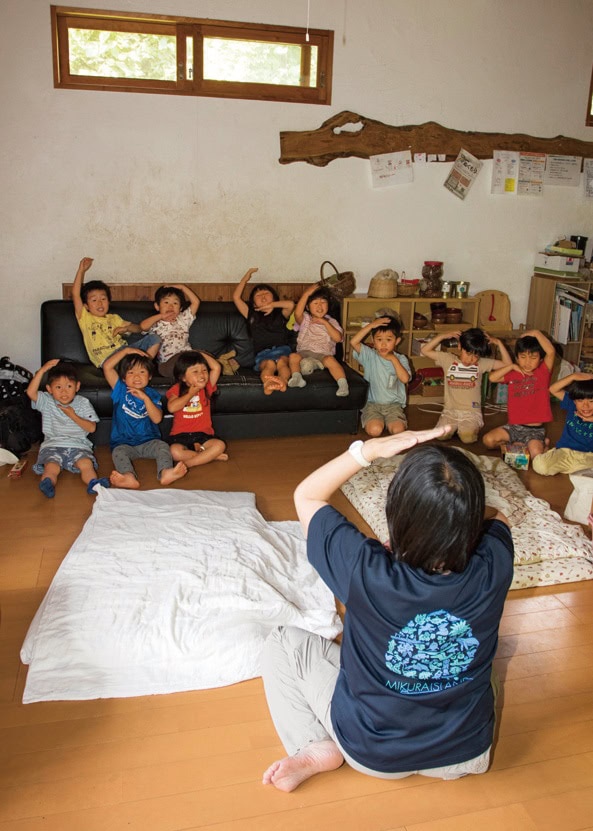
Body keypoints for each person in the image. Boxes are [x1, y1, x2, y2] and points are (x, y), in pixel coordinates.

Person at [261, 428, 513, 793]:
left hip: (374, 752)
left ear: (396, 512)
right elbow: (501, 518)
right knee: (488, 660)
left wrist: (368, 451)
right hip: (467, 753)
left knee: (282, 641)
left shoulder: (365, 568)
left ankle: (313, 745)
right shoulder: (495, 561)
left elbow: (307, 494)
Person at [102, 347, 187, 488]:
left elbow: (157, 419)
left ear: (149, 376)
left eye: (142, 372)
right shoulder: (120, 389)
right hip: (124, 443)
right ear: (123, 378)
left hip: (148, 441)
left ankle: (166, 473)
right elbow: (107, 367)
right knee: (118, 452)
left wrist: (145, 398)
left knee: (163, 446)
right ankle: (128, 478)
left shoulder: (152, 395)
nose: (137, 376)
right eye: (131, 372)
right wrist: (126, 351)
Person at [26, 359, 109, 498]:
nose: (64, 392)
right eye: (58, 387)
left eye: (69, 386)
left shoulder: (83, 403)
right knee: (52, 466)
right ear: (49, 389)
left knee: (86, 463)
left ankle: (93, 484)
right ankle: (47, 483)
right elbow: (30, 392)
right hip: (53, 445)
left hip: (78, 445)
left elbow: (92, 428)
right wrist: (42, 371)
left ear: (77, 387)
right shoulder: (47, 401)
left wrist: (73, 415)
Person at [420, 328, 512, 444]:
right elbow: (424, 350)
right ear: (460, 346)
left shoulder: (481, 364)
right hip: (450, 411)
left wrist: (498, 343)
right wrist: (443, 335)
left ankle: (468, 427)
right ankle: (455, 427)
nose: (471, 359)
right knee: (441, 436)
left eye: (475, 356)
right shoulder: (447, 359)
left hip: (471, 413)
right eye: (468, 353)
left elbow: (508, 365)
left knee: (467, 438)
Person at [71, 257, 160, 367]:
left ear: (108, 301)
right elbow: (75, 294)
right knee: (127, 350)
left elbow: (138, 328)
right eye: (94, 300)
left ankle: (144, 367)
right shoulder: (85, 317)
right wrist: (81, 270)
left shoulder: (114, 318)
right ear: (86, 306)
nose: (100, 303)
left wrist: (126, 328)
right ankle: (139, 367)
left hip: (125, 353)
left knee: (154, 338)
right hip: (108, 359)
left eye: (103, 299)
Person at [483, 330, 556, 459]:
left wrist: (536, 333)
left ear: (540, 359)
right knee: (488, 441)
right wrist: (511, 367)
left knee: (535, 455)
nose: (528, 362)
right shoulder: (514, 373)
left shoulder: (543, 372)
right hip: (513, 428)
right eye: (523, 357)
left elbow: (551, 351)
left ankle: (542, 445)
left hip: (534, 431)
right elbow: (492, 378)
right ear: (517, 357)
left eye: (533, 358)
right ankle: (516, 445)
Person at [233, 267, 295, 394]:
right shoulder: (251, 314)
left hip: (283, 350)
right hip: (262, 354)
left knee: (282, 362)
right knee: (269, 364)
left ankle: (282, 380)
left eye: (266, 293)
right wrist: (246, 277)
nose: (263, 296)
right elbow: (236, 297)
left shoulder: (281, 313)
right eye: (258, 295)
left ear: (274, 298)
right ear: (254, 303)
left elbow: (290, 304)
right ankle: (268, 383)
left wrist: (272, 305)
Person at [349, 315, 411, 436]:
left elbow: (405, 379)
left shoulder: (400, 359)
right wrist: (371, 325)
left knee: (398, 431)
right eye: (379, 339)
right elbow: (353, 342)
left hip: (394, 406)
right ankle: (378, 421)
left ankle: (390, 422)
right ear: (373, 340)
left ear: (397, 341)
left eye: (388, 340)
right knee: (375, 430)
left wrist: (393, 359)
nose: (383, 344)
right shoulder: (370, 355)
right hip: (372, 405)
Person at [166, 350, 228, 467]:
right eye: (195, 371)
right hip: (180, 435)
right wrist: (190, 394)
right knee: (174, 452)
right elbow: (171, 407)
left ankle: (188, 464)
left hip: (203, 435)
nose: (201, 375)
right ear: (183, 377)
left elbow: (216, 367)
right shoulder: (177, 389)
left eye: (204, 370)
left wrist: (198, 353)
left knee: (220, 445)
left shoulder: (207, 388)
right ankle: (208, 456)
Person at [287, 285, 349, 397]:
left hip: (323, 354)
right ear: (307, 307)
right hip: (304, 352)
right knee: (293, 356)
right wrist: (306, 294)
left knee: (331, 360)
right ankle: (297, 378)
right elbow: (297, 313)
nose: (320, 306)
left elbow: (338, 338)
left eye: (323, 302)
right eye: (315, 303)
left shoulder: (332, 322)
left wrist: (325, 323)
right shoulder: (305, 319)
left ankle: (343, 385)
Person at [532, 372, 593, 475]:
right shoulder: (571, 404)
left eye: (591, 401)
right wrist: (573, 376)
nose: (585, 406)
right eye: (580, 400)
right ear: (574, 401)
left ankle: (572, 468)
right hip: (566, 453)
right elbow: (553, 389)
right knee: (539, 465)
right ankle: (576, 469)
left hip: (589, 456)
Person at [139, 283, 201, 378]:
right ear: (157, 306)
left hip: (187, 358)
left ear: (180, 309)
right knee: (189, 363)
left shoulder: (183, 319)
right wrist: (161, 316)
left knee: (200, 356)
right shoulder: (155, 323)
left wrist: (182, 287)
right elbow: (143, 327)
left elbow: (196, 302)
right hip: (166, 364)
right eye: (166, 302)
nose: (170, 306)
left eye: (175, 303)